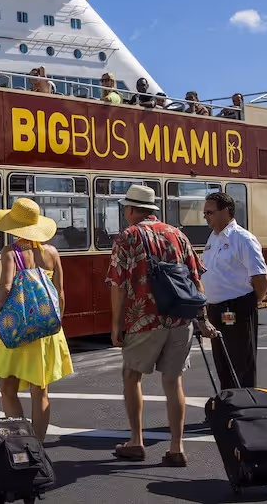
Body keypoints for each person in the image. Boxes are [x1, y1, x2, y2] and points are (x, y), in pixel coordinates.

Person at [105, 184, 210, 467]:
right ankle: (177, 448)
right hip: (180, 316)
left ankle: (136, 441)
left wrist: (116, 324)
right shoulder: (177, 234)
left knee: (132, 376)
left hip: (145, 317)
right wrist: (202, 317)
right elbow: (195, 277)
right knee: (173, 381)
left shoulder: (127, 237)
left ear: (131, 210)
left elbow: (118, 285)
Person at [0, 198, 74, 443]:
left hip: (15, 332)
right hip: (45, 333)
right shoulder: (52, 253)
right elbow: (60, 294)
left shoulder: (10, 253)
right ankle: (38, 446)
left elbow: (6, 289)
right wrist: (53, 325)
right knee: (40, 393)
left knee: (8, 390)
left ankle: (22, 444)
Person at [200, 192, 267, 389]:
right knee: (222, 361)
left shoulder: (243, 238)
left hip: (237, 308)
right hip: (215, 308)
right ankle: (228, 407)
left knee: (240, 361)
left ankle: (244, 409)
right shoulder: (213, 238)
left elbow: (261, 277)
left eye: (210, 212)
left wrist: (250, 304)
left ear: (226, 211)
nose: (206, 216)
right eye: (204, 213)